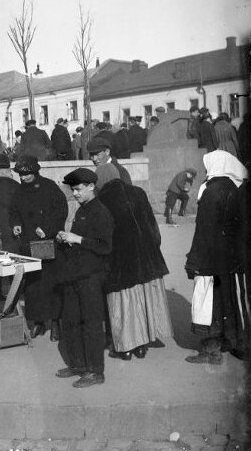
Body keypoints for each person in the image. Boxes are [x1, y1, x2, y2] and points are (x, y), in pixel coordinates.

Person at [96, 163, 173, 361]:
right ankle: (142, 346)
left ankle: (126, 348)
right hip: (146, 257)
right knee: (143, 301)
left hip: (120, 260)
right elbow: (153, 227)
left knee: (124, 305)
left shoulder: (102, 199)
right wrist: (153, 249)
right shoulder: (138, 192)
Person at [184, 150, 249, 364]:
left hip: (211, 258)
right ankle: (235, 343)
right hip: (233, 258)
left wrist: (193, 261)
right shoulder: (235, 187)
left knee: (209, 303)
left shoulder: (211, 191)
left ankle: (211, 351)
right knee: (230, 301)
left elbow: (204, 230)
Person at [53, 167, 114, 388]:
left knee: (91, 324)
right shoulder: (83, 209)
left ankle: (95, 371)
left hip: (91, 277)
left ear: (91, 186)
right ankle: (78, 364)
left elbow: (105, 246)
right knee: (71, 321)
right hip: (76, 275)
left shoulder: (101, 211)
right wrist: (67, 239)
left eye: (78, 189)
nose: (75, 194)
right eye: (73, 190)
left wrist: (77, 239)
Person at [10, 155, 68, 339]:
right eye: (21, 174)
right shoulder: (18, 191)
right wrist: (16, 224)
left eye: (27, 174)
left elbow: (61, 211)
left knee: (52, 284)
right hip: (29, 245)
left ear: (35, 172)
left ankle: (56, 323)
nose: (24, 177)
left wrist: (48, 229)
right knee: (33, 287)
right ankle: (38, 322)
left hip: (49, 244)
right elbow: (13, 211)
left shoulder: (50, 187)